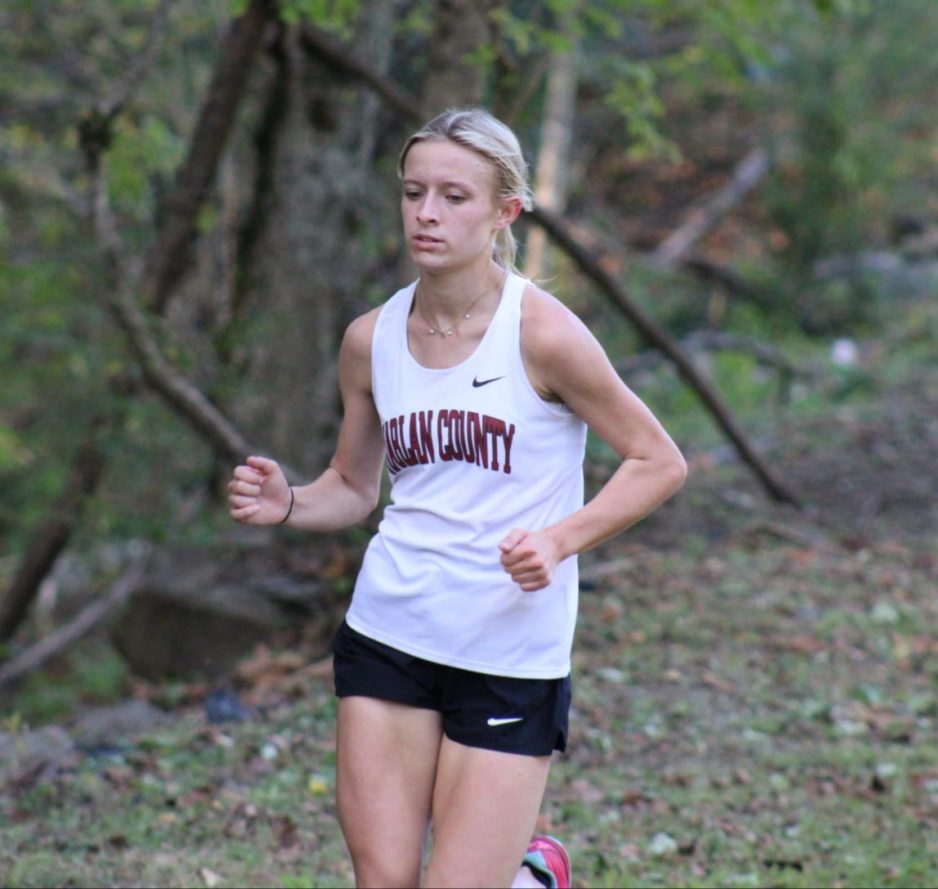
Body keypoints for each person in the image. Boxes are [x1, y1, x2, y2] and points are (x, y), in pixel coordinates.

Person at [226, 106, 687, 888]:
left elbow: (658, 459)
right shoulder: (370, 338)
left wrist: (558, 539)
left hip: (509, 647)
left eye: (453, 196)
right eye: (413, 193)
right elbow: (352, 485)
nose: (427, 214)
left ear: (506, 210)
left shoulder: (544, 334)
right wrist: (292, 504)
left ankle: (533, 874)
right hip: (390, 629)